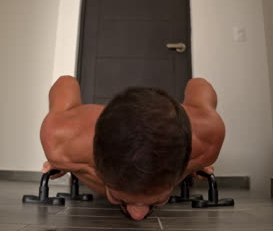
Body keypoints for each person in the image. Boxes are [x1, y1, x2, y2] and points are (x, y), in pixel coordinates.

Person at [40, 76, 225, 220]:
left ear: (185, 158)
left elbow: (199, 84)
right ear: (97, 159)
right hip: (83, 133)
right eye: (120, 199)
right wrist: (62, 162)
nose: (138, 215)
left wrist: (196, 162)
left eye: (158, 201)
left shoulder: (207, 141)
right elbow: (65, 82)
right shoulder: (60, 141)